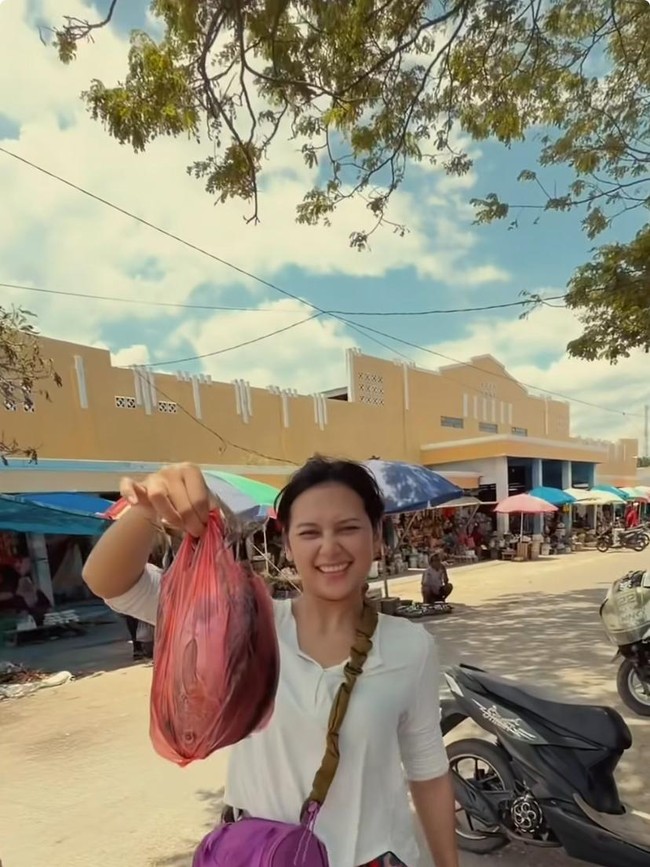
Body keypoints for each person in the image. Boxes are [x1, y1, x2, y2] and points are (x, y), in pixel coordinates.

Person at [82, 459, 458, 867]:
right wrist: (148, 510)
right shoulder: (241, 621)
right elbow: (110, 583)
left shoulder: (409, 646)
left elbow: (428, 771)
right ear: (288, 544)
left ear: (377, 536)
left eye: (348, 528)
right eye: (310, 532)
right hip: (260, 856)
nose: (329, 547)